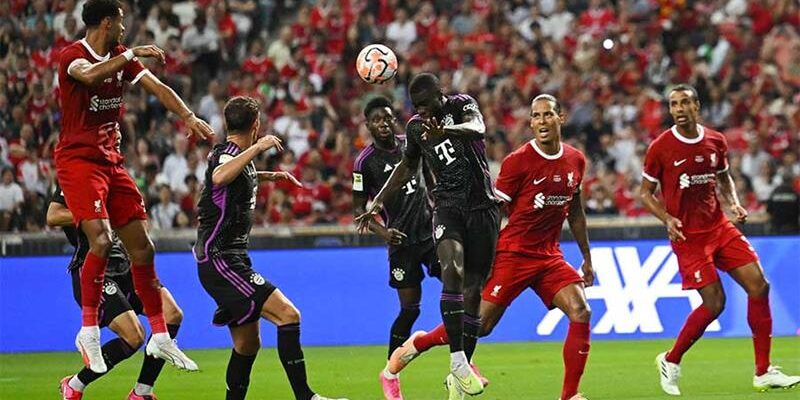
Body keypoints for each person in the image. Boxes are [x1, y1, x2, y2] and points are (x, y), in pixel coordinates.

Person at [385, 95, 594, 400]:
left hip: (550, 256)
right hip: (513, 253)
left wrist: (587, 258)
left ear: (560, 118)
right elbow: (495, 211)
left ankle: (570, 395)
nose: (542, 121)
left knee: (581, 310)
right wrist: (484, 254)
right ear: (531, 122)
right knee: (479, 326)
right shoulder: (518, 161)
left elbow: (575, 211)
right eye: (535, 116)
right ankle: (422, 342)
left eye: (548, 115)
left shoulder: (576, 159)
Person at [56, 0, 212, 373]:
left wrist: (188, 116)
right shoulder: (73, 56)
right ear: (107, 22)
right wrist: (130, 56)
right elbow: (90, 76)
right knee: (102, 240)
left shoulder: (120, 54)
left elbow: (157, 86)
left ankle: (160, 335)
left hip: (112, 162)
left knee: (142, 246)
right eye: (122, 22)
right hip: (79, 161)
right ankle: (89, 331)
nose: (125, 29)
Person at [639, 84, 800, 395]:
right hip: (688, 236)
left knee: (759, 285)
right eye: (674, 104)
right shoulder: (660, 147)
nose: (679, 109)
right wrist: (667, 218)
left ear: (697, 106)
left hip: (718, 226)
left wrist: (734, 202)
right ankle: (671, 360)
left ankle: (763, 371)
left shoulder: (716, 140)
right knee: (715, 304)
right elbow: (644, 193)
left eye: (685, 102)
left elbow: (723, 177)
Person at [356, 73, 499, 397]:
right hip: (447, 208)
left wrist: (446, 130)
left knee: (473, 291)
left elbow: (479, 128)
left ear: (441, 95)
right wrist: (377, 201)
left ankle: (458, 377)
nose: (424, 113)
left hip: (483, 208)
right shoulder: (416, 129)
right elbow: (406, 167)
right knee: (452, 273)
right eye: (418, 108)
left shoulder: (462, 106)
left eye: (428, 105)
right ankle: (458, 360)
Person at [194, 96, 347, 400]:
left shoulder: (234, 157)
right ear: (257, 124)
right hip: (220, 259)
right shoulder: (228, 154)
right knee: (289, 315)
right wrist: (258, 147)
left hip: (229, 258)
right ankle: (306, 397)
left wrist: (268, 175)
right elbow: (219, 176)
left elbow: (226, 179)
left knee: (247, 344)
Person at [48, 181, 183, 400]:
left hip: (127, 265)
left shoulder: (118, 177)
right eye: (113, 143)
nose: (116, 146)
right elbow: (53, 216)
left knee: (172, 315)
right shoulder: (77, 176)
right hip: (95, 269)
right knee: (134, 336)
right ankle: (75, 384)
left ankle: (141, 392)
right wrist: (94, 213)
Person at [351, 96, 441, 400]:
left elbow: (430, 176)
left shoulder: (410, 144)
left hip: (430, 234)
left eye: (388, 118)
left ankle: (463, 359)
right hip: (400, 242)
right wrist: (384, 232)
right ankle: (391, 373)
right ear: (368, 125)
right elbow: (358, 211)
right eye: (377, 120)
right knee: (410, 309)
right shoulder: (364, 163)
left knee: (458, 287)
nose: (384, 124)